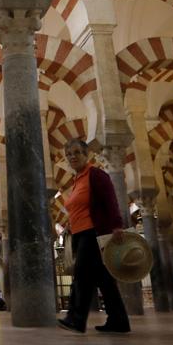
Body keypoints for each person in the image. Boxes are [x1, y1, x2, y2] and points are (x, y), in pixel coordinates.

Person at [56, 138, 130, 334]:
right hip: (80, 234)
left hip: (92, 232)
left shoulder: (95, 175)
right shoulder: (77, 179)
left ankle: (76, 318)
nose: (72, 157)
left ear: (85, 154)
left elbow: (110, 199)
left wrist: (116, 225)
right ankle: (119, 320)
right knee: (103, 278)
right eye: (69, 154)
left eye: (76, 153)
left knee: (81, 276)